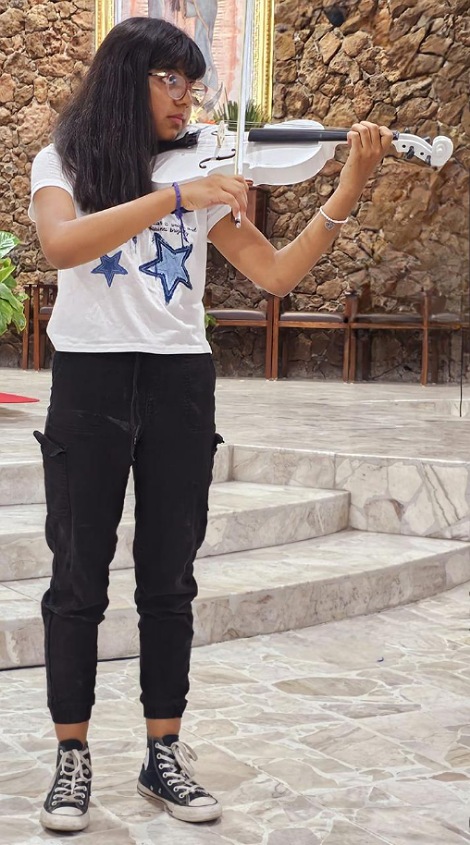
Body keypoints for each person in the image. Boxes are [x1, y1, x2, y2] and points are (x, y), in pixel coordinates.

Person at [29, 15, 393, 834]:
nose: (184, 99)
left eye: (192, 86)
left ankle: (163, 752)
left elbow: (274, 273)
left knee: (170, 578)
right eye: (170, 81)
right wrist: (173, 196)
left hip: (179, 383)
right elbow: (59, 245)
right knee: (77, 576)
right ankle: (71, 756)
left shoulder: (202, 167)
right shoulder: (65, 162)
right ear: (126, 78)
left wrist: (347, 188)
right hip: (89, 377)